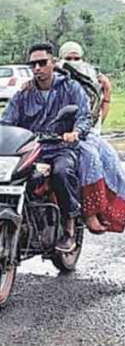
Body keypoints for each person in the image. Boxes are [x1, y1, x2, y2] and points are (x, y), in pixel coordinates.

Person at [0, 42, 91, 252]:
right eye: (33, 64)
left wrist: (75, 132)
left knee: (61, 172)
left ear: (53, 63)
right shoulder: (24, 93)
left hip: (61, 147)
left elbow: (83, 116)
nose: (37, 68)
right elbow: (7, 121)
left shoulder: (70, 87)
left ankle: (68, 228)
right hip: (33, 148)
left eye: (42, 63)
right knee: (11, 177)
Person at [56, 41, 125, 234]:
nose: (73, 63)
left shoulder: (91, 83)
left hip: (83, 135)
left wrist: (107, 92)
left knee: (108, 160)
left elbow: (95, 119)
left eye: (76, 58)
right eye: (68, 59)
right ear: (59, 60)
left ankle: (96, 213)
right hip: (54, 134)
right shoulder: (54, 80)